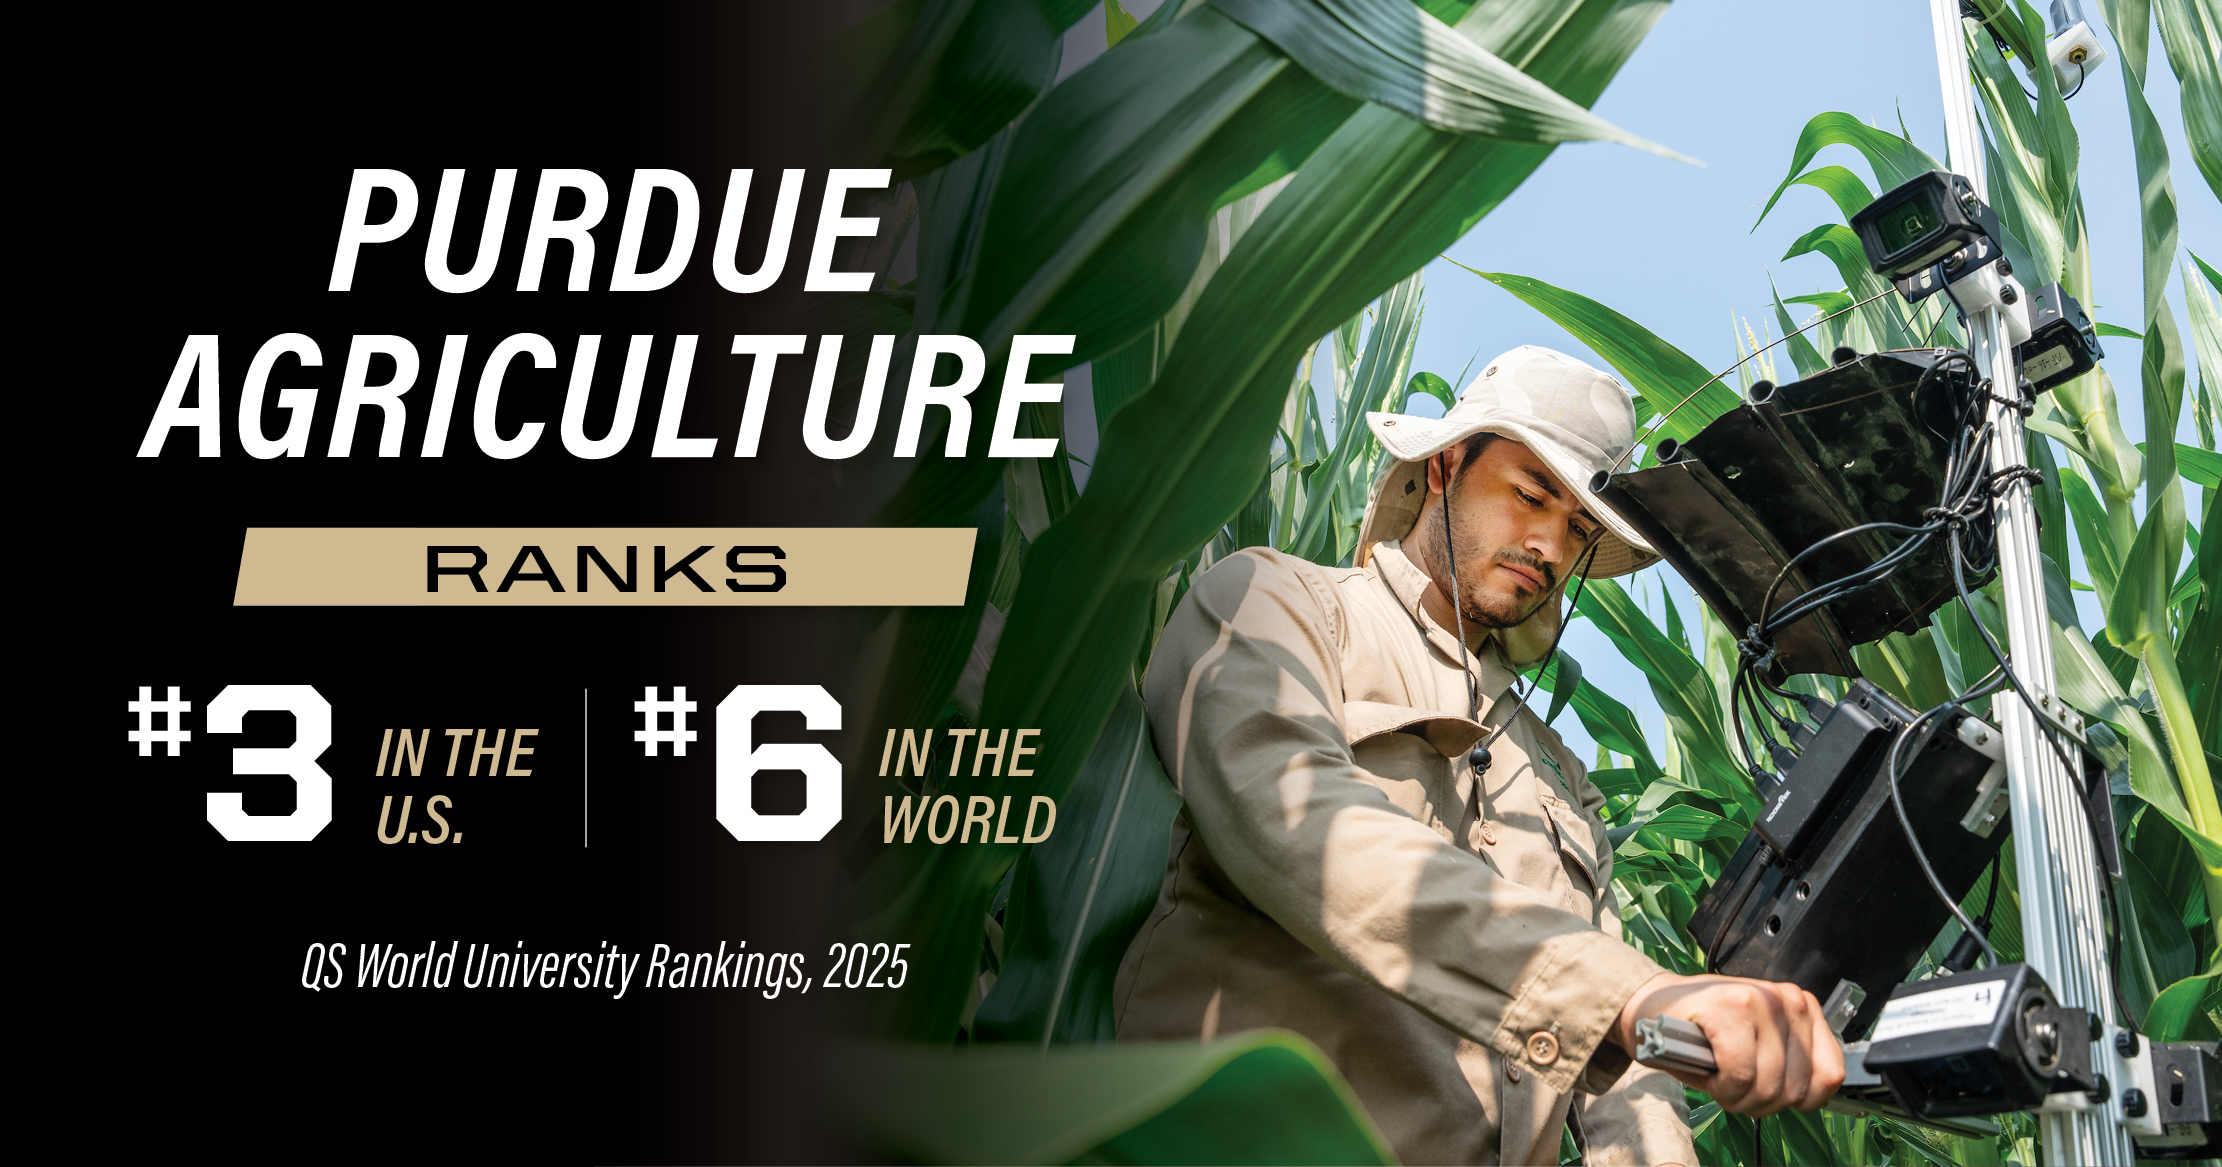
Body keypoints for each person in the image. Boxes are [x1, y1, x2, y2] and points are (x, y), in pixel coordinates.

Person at [1113, 346, 1843, 1166]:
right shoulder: (1278, 607)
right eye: (1531, 495)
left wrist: (1657, 1031)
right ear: (1448, 463)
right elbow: (1302, 827)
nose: (1550, 548)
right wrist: (1625, 993)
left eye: (1577, 529)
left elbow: (1623, 1076)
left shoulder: (1560, 774)